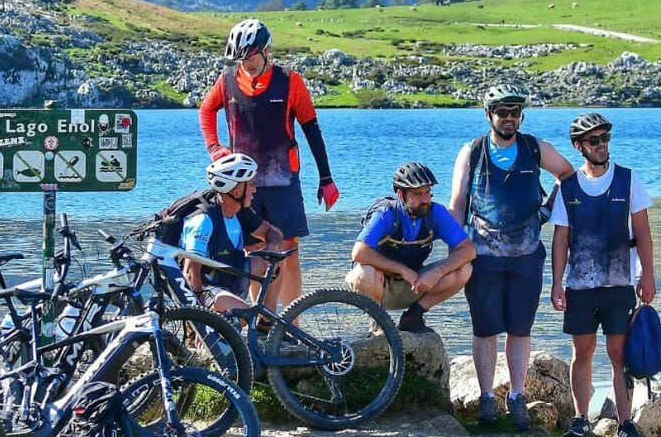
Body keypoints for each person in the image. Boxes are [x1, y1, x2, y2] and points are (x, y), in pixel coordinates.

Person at [448, 83, 574, 431]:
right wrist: (454, 248)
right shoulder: (472, 152)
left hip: (527, 256)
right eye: (502, 112)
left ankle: (516, 397)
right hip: (483, 257)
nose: (508, 118)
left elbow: (567, 174)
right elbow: (457, 203)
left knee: (520, 329)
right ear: (489, 115)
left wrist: (547, 212)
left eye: (514, 112)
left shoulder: (535, 148)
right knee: (485, 329)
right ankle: (487, 398)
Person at [199, 19, 339, 313]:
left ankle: (292, 324)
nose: (246, 63)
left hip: (283, 182)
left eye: (251, 56)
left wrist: (326, 178)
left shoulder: (291, 81)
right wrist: (214, 148)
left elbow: (312, 129)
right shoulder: (226, 81)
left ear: (266, 51)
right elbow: (206, 111)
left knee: (289, 253)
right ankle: (262, 322)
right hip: (243, 186)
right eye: (241, 58)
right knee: (255, 252)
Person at [549, 112, 656, 437]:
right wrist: (555, 283)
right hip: (579, 288)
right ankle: (581, 419)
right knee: (582, 354)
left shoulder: (628, 179)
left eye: (605, 139)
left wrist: (648, 276)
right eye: (594, 141)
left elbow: (643, 233)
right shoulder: (567, 188)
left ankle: (625, 423)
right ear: (579, 146)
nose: (601, 146)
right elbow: (560, 240)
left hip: (619, 285)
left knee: (619, 356)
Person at [346, 162, 476, 333]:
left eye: (427, 192)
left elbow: (468, 250)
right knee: (361, 273)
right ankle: (378, 321)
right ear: (401, 195)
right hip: (379, 286)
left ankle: (414, 315)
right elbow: (358, 253)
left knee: (464, 269)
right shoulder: (386, 214)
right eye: (417, 194)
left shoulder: (436, 213)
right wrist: (401, 270)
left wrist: (436, 273)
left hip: (414, 284)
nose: (425, 200)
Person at [178, 153, 281, 313]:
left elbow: (273, 234)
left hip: (232, 274)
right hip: (208, 289)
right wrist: (199, 318)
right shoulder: (203, 220)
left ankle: (265, 324)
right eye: (251, 184)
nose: (255, 190)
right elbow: (191, 272)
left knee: (276, 260)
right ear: (237, 190)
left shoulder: (241, 212)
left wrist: (271, 250)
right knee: (245, 314)